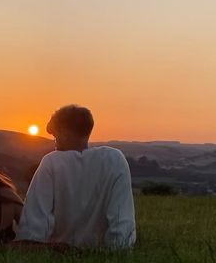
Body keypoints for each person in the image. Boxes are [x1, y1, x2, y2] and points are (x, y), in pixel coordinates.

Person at [14, 105, 136, 249]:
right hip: (103, 255)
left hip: (57, 255)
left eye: (55, 135)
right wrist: (117, 249)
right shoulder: (115, 160)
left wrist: (29, 245)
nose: (55, 142)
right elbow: (122, 215)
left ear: (64, 133)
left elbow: (35, 221)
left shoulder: (52, 162)